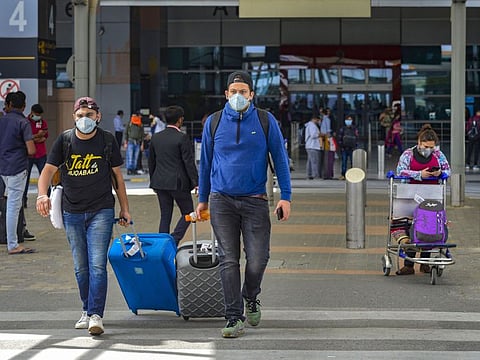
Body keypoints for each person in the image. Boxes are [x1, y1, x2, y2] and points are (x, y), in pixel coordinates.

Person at [196, 71, 292, 338]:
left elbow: (280, 160)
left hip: (255, 200)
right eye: (233, 91)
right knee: (228, 259)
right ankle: (232, 317)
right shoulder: (213, 123)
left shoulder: (265, 120)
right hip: (221, 200)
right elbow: (205, 163)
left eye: (243, 91)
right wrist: (202, 200)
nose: (238, 95)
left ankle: (250, 295)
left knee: (259, 259)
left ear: (251, 94)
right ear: (226, 94)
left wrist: (286, 196)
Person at [36, 96, 132, 335]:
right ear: (74, 117)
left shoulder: (107, 140)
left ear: (97, 116)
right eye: (80, 116)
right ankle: (87, 309)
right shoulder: (65, 140)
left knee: (97, 265)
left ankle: (96, 315)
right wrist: (41, 195)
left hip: (101, 210)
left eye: (89, 115)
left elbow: (118, 178)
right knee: (81, 267)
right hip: (72, 211)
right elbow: (48, 171)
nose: (85, 119)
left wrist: (125, 208)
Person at [395, 124, 451, 275]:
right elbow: (400, 171)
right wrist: (419, 174)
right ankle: (409, 264)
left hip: (432, 194)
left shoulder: (438, 155)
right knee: (411, 228)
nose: (429, 150)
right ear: (419, 143)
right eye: (426, 146)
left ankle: (425, 262)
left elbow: (448, 169)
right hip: (411, 195)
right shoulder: (408, 154)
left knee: (429, 226)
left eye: (432, 147)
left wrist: (439, 172)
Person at [148, 105, 198, 245]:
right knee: (188, 213)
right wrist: (196, 182)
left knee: (165, 215)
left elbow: (152, 162)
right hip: (178, 183)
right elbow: (188, 162)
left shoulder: (156, 138)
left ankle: (162, 245)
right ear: (180, 120)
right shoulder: (181, 138)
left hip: (159, 182)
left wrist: (153, 180)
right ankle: (174, 239)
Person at [0, 91, 36, 254]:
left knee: (9, 203)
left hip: (2, 168)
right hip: (17, 168)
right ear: (23, 106)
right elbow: (31, 149)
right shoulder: (23, 122)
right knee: (13, 206)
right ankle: (13, 244)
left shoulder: (1, 121)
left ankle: (12, 242)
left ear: (8, 105)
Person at [24, 104, 49, 209]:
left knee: (45, 177)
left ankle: (48, 199)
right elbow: (26, 138)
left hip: (41, 154)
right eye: (36, 114)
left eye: (39, 115)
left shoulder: (42, 122)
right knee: (25, 179)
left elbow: (45, 136)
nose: (38, 116)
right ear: (31, 112)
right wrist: (38, 136)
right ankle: (23, 200)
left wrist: (34, 138)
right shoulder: (25, 122)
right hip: (28, 155)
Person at [337, 115, 359, 180]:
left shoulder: (354, 129)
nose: (349, 121)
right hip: (344, 148)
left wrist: (355, 146)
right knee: (344, 162)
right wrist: (341, 146)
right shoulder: (343, 129)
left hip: (352, 148)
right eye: (348, 120)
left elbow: (357, 137)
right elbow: (340, 138)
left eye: (350, 120)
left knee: (353, 162)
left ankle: (353, 175)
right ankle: (343, 175)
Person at [320, 108, 335, 179]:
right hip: (324, 139)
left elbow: (327, 131)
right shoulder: (324, 120)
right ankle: (326, 173)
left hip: (326, 139)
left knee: (327, 157)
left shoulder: (326, 120)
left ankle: (327, 174)